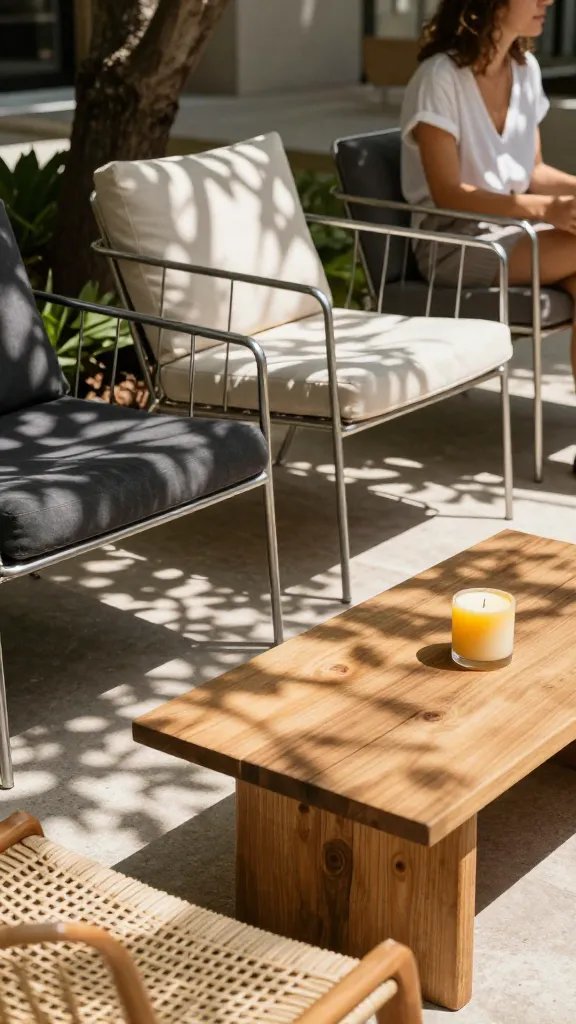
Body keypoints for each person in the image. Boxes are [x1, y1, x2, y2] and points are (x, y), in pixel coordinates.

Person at [400, 0, 576, 384]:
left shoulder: (525, 71)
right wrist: (547, 209)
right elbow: (448, 193)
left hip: (512, 233)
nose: (547, 1)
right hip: (453, 241)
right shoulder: (439, 77)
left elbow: (533, 172)